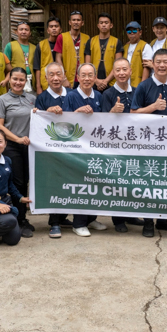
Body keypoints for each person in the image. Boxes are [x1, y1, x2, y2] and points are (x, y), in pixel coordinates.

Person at [131, 49, 167, 237]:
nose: (162, 65)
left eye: (165, 62)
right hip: (148, 144)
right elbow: (133, 113)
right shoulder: (144, 86)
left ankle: (163, 220)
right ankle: (148, 222)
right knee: (150, 182)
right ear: (153, 64)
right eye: (158, 62)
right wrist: (153, 107)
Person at [100, 58, 146, 234]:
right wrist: (113, 112)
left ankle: (131, 214)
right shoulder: (108, 94)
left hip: (136, 144)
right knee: (118, 181)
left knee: (133, 179)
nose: (121, 73)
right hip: (115, 146)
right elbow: (101, 122)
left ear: (130, 71)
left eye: (124, 69)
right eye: (117, 70)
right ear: (114, 72)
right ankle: (118, 219)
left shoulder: (137, 92)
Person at [64, 63, 107, 236]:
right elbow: (64, 123)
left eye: (91, 75)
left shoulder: (99, 95)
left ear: (95, 78)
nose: (87, 78)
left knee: (95, 183)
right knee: (81, 184)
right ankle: (78, 223)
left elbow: (106, 120)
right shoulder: (71, 96)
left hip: (95, 147)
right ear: (78, 77)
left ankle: (91, 218)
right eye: (84, 75)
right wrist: (78, 111)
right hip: (77, 148)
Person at [0, 67, 36, 238]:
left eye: (21, 79)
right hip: (12, 145)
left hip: (30, 146)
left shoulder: (32, 99)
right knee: (17, 183)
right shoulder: (2, 100)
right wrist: (17, 139)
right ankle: (17, 220)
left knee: (26, 180)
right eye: (15, 79)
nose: (18, 82)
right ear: (9, 80)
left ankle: (23, 218)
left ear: (26, 81)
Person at [35, 62, 74, 238]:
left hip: (73, 149)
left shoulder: (72, 95)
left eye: (59, 74)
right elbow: (38, 121)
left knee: (70, 183)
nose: (56, 78)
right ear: (46, 78)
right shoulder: (42, 98)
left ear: (64, 76)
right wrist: (46, 112)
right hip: (52, 150)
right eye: (51, 75)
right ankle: (54, 222)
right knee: (54, 184)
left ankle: (64, 216)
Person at [84, 13, 124, 91]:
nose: (103, 25)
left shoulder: (116, 42)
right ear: (98, 25)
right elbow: (87, 64)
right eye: (101, 23)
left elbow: (118, 65)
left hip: (111, 83)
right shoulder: (91, 41)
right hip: (93, 82)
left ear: (111, 25)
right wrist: (96, 81)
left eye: (106, 23)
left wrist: (106, 81)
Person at [55, 10, 90, 88]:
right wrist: (64, 78)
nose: (76, 22)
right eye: (73, 20)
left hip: (83, 77)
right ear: (69, 22)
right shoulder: (61, 37)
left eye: (78, 20)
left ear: (82, 22)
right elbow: (58, 58)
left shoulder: (87, 38)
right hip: (68, 77)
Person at [34, 16, 62, 94]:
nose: (54, 28)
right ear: (47, 30)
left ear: (60, 30)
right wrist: (38, 86)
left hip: (61, 82)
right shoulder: (41, 45)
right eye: (51, 26)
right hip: (45, 83)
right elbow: (37, 68)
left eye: (56, 26)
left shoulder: (65, 44)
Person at [122, 21, 153, 88]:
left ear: (140, 32)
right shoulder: (125, 47)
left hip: (138, 84)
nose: (132, 33)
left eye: (134, 31)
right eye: (129, 32)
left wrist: (142, 85)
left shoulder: (145, 46)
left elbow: (146, 67)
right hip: (125, 84)